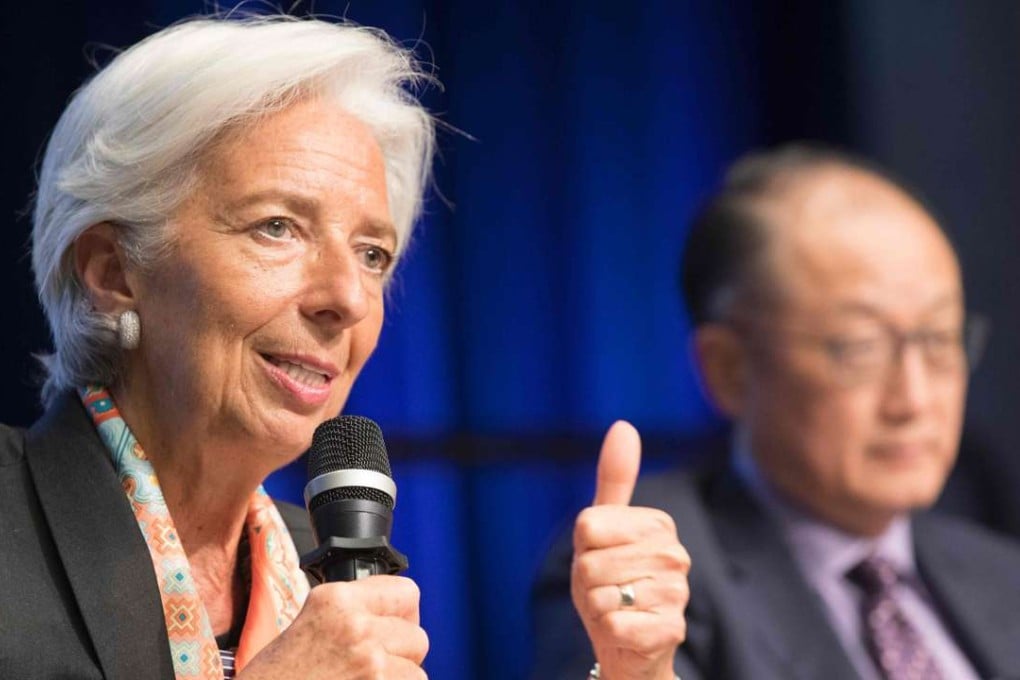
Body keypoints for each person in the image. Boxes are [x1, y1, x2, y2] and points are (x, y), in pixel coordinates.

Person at [0, 14, 691, 680]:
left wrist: (633, 672)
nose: (349, 299)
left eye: (372, 254)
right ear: (112, 272)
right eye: (277, 228)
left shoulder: (326, 568)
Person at [533, 144, 1020, 679]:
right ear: (729, 369)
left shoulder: (1001, 576)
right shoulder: (650, 573)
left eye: (937, 338)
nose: (914, 399)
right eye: (859, 347)